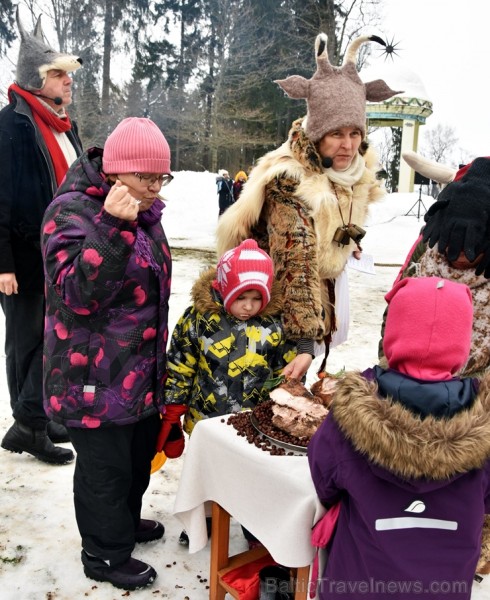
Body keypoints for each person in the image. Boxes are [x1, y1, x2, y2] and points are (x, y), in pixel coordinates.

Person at [216, 33, 400, 380]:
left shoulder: (352, 173)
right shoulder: (291, 180)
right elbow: (295, 257)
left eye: (354, 134)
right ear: (317, 135)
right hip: (267, 309)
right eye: (336, 134)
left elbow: (331, 223)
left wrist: (346, 242)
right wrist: (303, 341)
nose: (347, 145)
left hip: (314, 300)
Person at [40, 117, 174, 590]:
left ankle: (122, 524)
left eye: (162, 179)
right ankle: (103, 552)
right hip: (90, 376)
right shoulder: (70, 213)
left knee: (137, 459)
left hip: (135, 373)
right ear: (116, 171)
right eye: (146, 178)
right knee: (105, 469)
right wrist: (113, 225)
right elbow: (78, 293)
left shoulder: (146, 211)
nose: (155, 189)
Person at [309, 276, 490, 600]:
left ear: (393, 334)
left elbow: (323, 478)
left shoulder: (354, 410)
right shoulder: (483, 420)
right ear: (461, 345)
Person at [378, 155, 490, 574]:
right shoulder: (425, 258)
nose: (460, 258)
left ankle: (469, 538)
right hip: (417, 388)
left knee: (468, 479)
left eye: (472, 250)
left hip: (476, 398)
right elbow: (395, 320)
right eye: (453, 247)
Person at [161, 238, 295, 545]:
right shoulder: (199, 320)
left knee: (253, 479)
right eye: (241, 297)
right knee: (208, 476)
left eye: (255, 298)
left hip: (255, 423)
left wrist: (285, 404)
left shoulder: (273, 325)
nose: (248, 306)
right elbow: (181, 364)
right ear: (224, 289)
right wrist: (173, 408)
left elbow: (282, 371)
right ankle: (203, 522)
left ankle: (254, 527)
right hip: (208, 420)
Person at [0, 9, 83, 465]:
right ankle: (27, 426)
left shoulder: (61, 124)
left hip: (60, 254)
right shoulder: (11, 126)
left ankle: (41, 413)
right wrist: (3, 263)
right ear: (35, 79)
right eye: (58, 73)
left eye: (68, 72)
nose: (68, 80)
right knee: (27, 343)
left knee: (53, 340)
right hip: (25, 259)